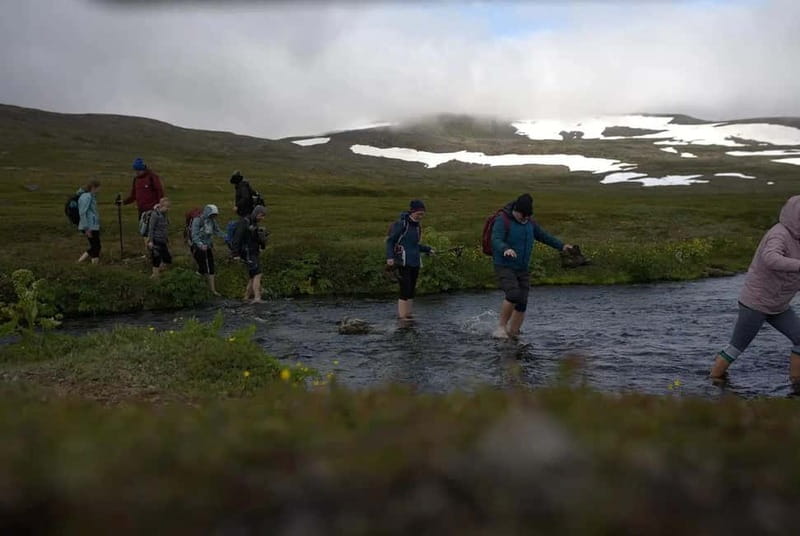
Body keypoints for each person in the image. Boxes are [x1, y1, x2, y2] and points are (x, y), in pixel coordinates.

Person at [710, 196, 800, 390]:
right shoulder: (779, 234)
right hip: (755, 303)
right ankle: (713, 381)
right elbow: (771, 259)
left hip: (779, 305)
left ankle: (796, 384)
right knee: (736, 348)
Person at [491, 193, 573, 339]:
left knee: (522, 302)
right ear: (516, 211)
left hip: (522, 268)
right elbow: (495, 239)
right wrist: (505, 249)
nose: (525, 219)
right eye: (523, 216)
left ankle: (513, 332)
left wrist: (562, 246)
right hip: (504, 265)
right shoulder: (502, 220)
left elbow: (544, 236)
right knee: (513, 294)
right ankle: (501, 329)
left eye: (527, 217)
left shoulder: (530, 223)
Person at [386, 200, 435, 320]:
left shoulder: (417, 227)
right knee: (405, 287)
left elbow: (415, 245)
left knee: (412, 288)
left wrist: (428, 249)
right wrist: (390, 257)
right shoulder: (401, 224)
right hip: (402, 261)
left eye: (422, 214)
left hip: (415, 261)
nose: (420, 216)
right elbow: (390, 241)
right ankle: (402, 317)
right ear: (412, 212)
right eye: (419, 214)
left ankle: (408, 314)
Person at [124, 157, 165, 251]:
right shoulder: (136, 180)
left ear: (143, 168)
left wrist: (160, 205)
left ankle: (156, 253)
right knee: (144, 231)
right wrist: (124, 202)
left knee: (153, 232)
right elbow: (133, 195)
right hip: (141, 210)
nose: (137, 172)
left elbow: (160, 192)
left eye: (139, 170)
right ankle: (149, 251)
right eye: (135, 170)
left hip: (153, 210)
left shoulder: (152, 177)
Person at [231, 205, 269, 303]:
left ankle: (246, 297)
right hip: (247, 252)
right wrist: (235, 254)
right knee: (258, 273)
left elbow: (256, 238)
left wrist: (262, 245)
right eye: (261, 215)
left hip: (253, 252)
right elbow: (237, 238)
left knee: (252, 276)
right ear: (256, 213)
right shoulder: (244, 222)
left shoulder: (254, 223)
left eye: (264, 216)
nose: (263, 218)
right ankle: (257, 298)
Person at [190, 204, 226, 296]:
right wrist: (200, 244)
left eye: (215, 215)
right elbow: (194, 235)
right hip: (198, 247)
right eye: (212, 215)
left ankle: (212, 290)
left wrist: (226, 237)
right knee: (203, 268)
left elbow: (217, 231)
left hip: (208, 247)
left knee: (211, 268)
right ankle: (194, 284)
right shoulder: (198, 220)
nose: (213, 217)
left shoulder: (212, 221)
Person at [77, 180, 101, 264]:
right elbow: (82, 212)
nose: (99, 190)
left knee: (96, 246)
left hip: (93, 225)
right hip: (89, 226)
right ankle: (81, 261)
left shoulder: (91, 196)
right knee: (96, 246)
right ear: (94, 187)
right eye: (98, 188)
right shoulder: (87, 197)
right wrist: (86, 228)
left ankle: (93, 263)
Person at [147, 197, 172, 278]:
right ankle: (155, 275)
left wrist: (167, 238)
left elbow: (165, 228)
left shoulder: (165, 215)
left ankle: (161, 270)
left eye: (169, 207)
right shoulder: (155, 214)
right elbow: (151, 228)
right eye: (167, 207)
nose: (168, 209)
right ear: (161, 206)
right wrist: (150, 241)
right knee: (156, 258)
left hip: (163, 240)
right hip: (156, 239)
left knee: (167, 258)